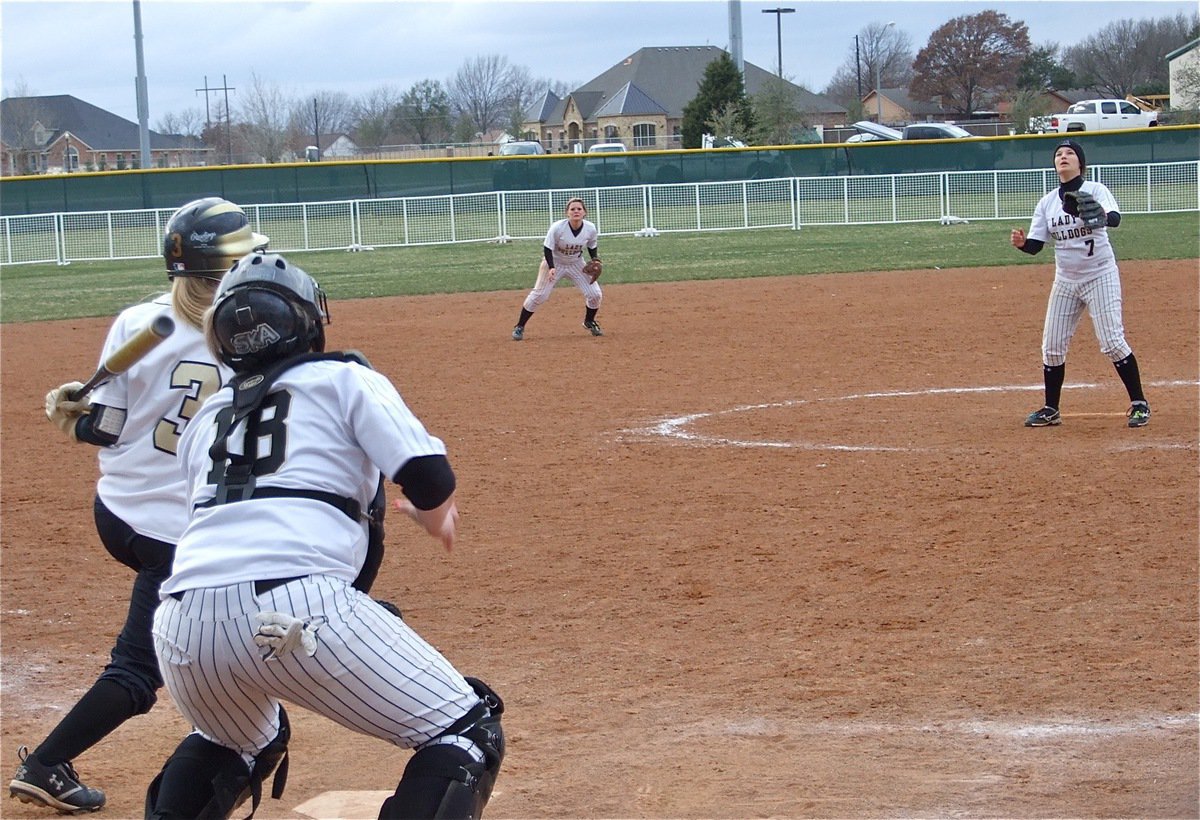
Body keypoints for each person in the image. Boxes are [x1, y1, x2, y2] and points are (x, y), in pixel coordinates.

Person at [144, 251, 505, 820]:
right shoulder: (343, 377)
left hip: (182, 625)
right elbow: (430, 479)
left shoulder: (206, 418)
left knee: (232, 741)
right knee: (465, 730)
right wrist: (436, 519)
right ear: (309, 322)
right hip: (297, 604)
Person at [9, 198, 266, 813]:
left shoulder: (135, 321)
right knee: (138, 670)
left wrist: (73, 415)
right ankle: (46, 765)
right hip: (179, 532)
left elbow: (110, 427)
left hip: (119, 512)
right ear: (219, 271)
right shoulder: (250, 333)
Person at [1010, 139, 1150, 429]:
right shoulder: (1047, 202)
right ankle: (1051, 409)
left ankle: (1139, 404)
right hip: (1066, 280)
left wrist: (1096, 214)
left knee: (1112, 341)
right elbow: (1037, 245)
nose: (1063, 157)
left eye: (1070, 153)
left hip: (1100, 274)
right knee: (1052, 346)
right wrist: (1023, 244)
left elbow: (1114, 218)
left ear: (1080, 163)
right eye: (1059, 154)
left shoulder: (1095, 190)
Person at [511, 197, 603, 340]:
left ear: (585, 212)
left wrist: (595, 259)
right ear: (567, 213)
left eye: (579, 209)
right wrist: (551, 267)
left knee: (595, 294)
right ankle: (520, 326)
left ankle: (589, 321)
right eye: (572, 209)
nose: (576, 211)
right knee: (540, 295)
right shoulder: (558, 227)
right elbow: (547, 248)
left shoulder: (590, 228)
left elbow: (592, 245)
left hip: (576, 263)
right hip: (554, 262)